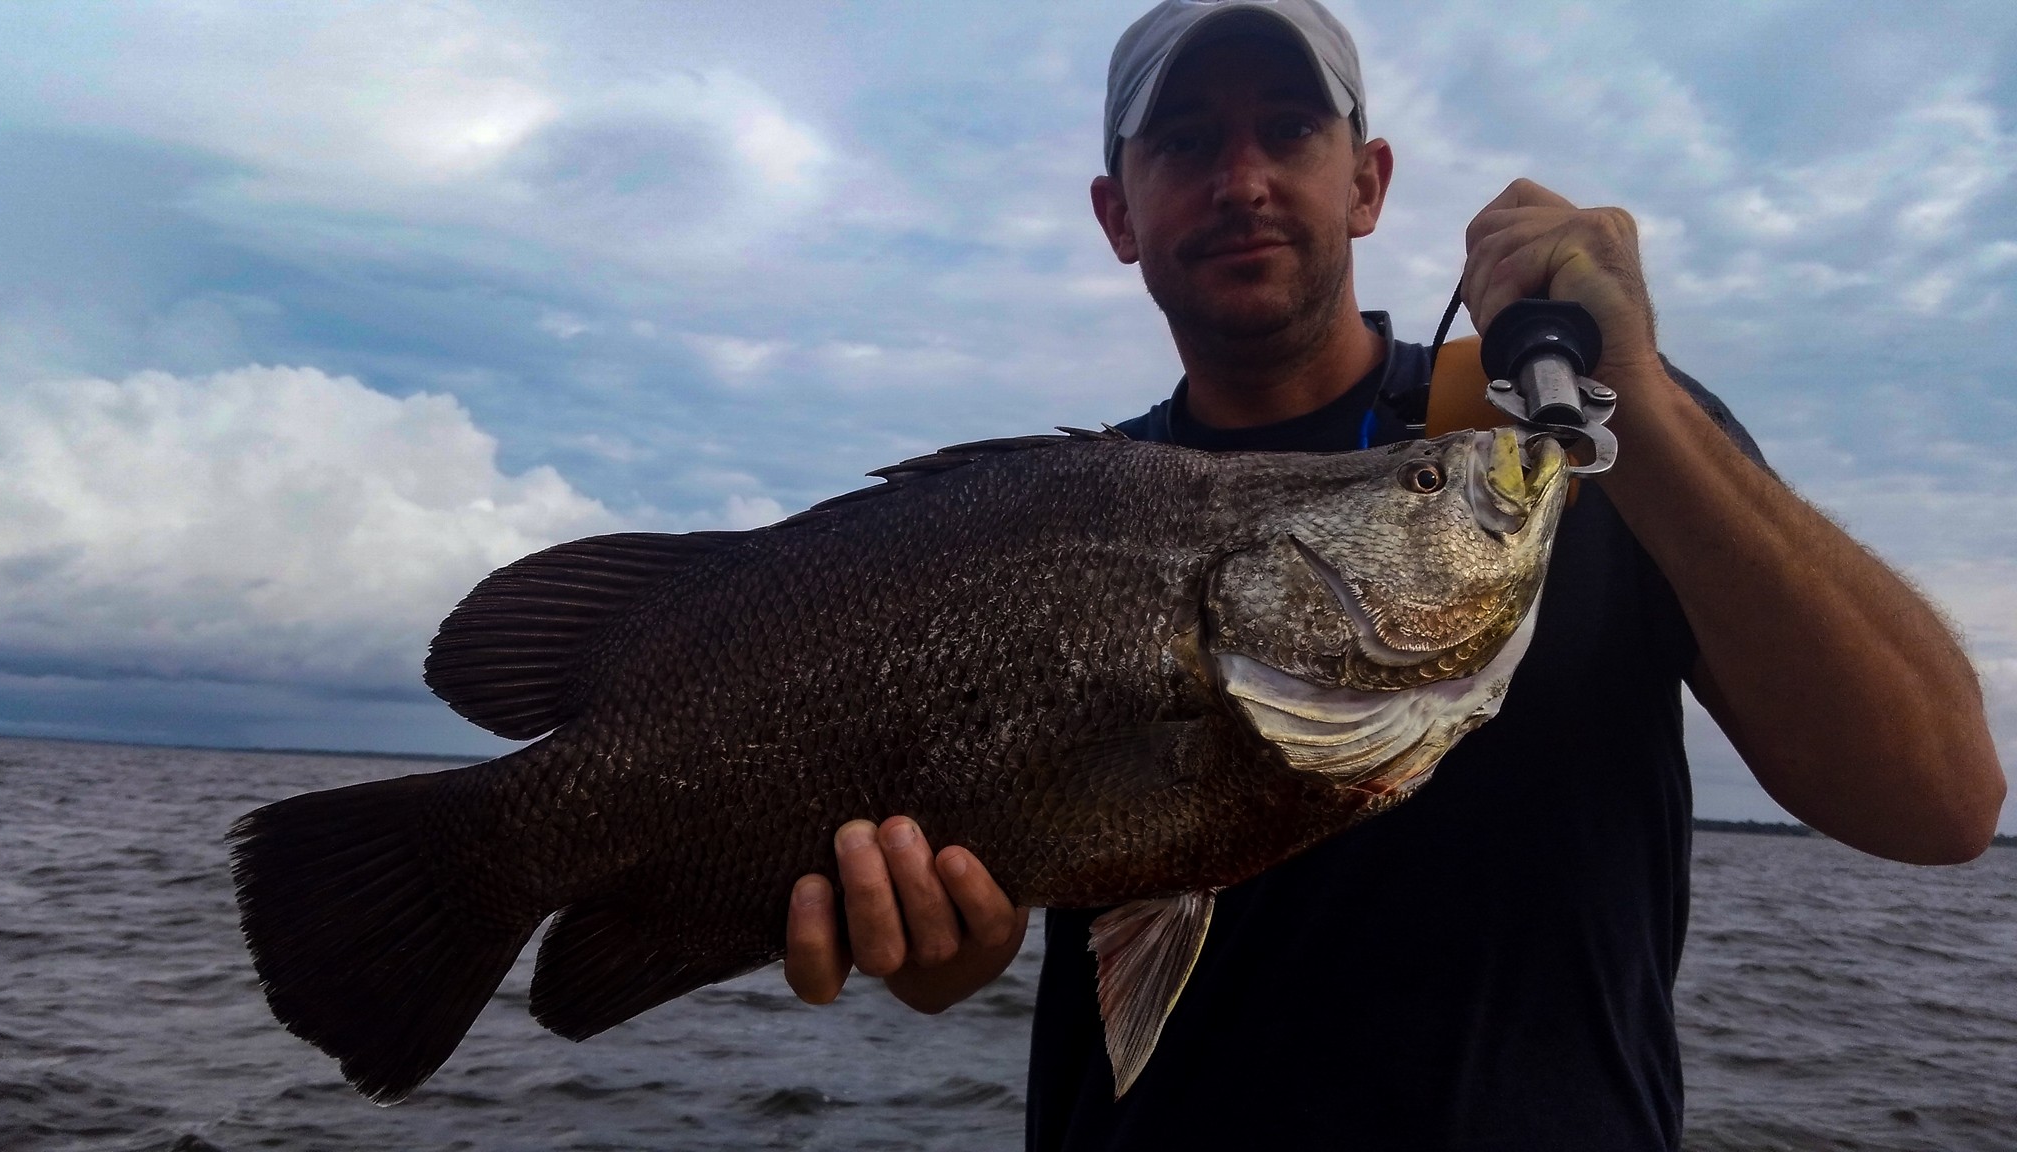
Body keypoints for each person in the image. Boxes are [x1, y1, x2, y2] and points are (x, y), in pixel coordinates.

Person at [779, 1, 2006, 1147]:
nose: (1242, 179)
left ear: (1365, 184)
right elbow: (1011, 878)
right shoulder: (1047, 522)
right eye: (1187, 139)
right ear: (1117, 215)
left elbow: (1940, 804)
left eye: (1290, 129)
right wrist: (941, 949)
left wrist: (1643, 396)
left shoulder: (1582, 444)